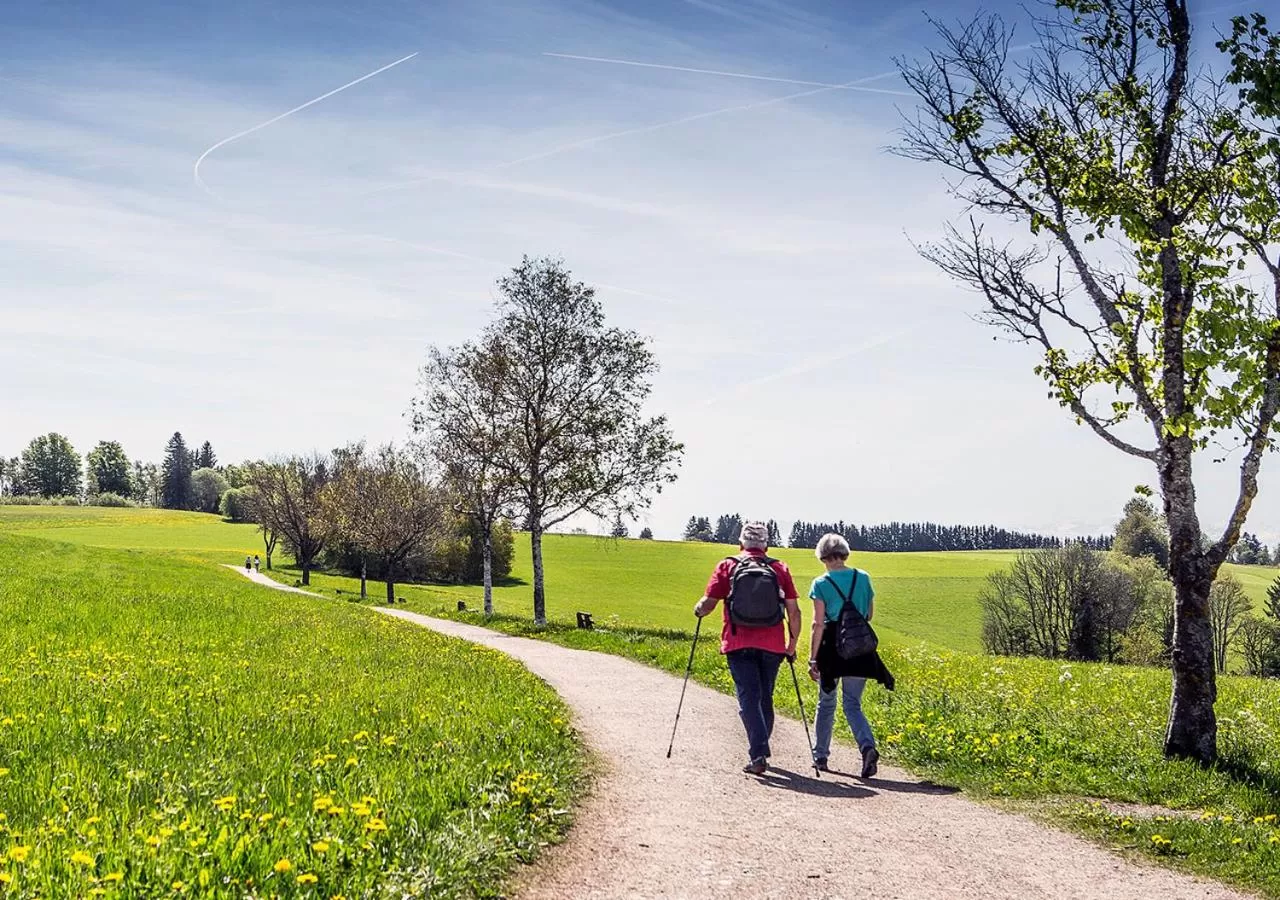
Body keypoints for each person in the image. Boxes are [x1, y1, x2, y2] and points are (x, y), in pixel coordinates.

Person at [694, 521, 802, 775]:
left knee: (748, 697)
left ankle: (759, 753)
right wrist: (792, 643)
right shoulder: (779, 568)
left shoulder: (728, 565)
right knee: (765, 696)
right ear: (766, 544)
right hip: (773, 644)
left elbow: (708, 604)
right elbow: (794, 611)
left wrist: (698, 609)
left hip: (738, 641)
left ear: (741, 543)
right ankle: (760, 749)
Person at [807, 532, 889, 778]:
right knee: (853, 704)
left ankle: (821, 755)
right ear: (845, 553)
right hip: (860, 647)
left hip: (832, 648)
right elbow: (869, 615)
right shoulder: (863, 578)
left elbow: (817, 624)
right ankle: (867, 747)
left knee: (827, 703)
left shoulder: (821, 583)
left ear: (823, 556)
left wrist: (813, 658)